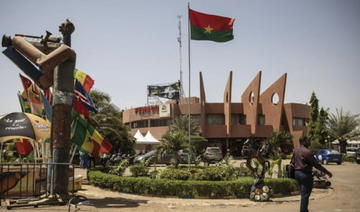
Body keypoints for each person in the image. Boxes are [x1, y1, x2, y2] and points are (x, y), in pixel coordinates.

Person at [293, 136, 333, 212]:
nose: (309, 142)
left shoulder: (296, 150)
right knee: (305, 195)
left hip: (297, 173)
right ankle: (303, 210)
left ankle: (305, 209)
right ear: (304, 142)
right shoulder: (307, 152)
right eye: (308, 141)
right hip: (305, 175)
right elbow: (317, 165)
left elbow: (293, 162)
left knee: (303, 193)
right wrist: (327, 172)